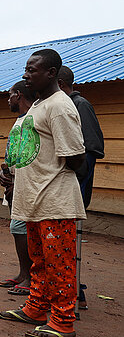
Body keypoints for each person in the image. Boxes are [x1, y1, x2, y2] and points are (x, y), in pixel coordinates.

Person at [0, 49, 86, 337]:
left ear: (51, 74)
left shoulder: (60, 106)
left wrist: (49, 177)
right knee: (40, 262)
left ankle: (62, 322)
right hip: (33, 200)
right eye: (26, 69)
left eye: (32, 70)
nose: (26, 75)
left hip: (54, 201)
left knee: (59, 265)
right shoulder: (38, 105)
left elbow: (75, 157)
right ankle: (35, 308)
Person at [58, 65, 105, 310]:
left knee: (68, 241)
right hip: (63, 185)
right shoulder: (61, 106)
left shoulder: (80, 106)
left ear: (61, 84)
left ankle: (75, 294)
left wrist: (75, 184)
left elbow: (89, 151)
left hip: (74, 183)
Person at [0, 81, 35, 296]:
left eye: (10, 94)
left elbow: (29, 156)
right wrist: (5, 173)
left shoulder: (31, 119)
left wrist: (17, 181)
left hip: (24, 185)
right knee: (17, 228)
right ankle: (23, 274)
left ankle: (30, 277)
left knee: (22, 229)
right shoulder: (19, 120)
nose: (8, 99)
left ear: (18, 95)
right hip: (14, 182)